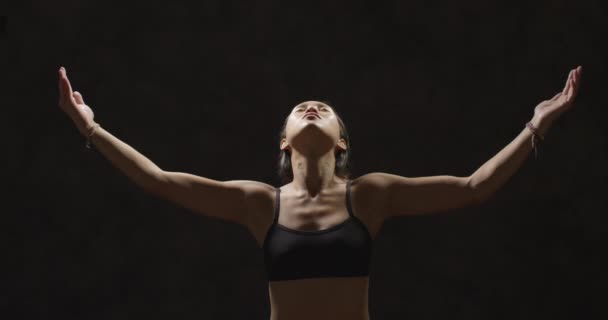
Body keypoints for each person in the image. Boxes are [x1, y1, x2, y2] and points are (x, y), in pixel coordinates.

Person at [57, 65, 582, 320]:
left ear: (343, 141)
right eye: (302, 108)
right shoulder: (259, 203)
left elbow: (473, 187)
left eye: (324, 108)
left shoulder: (370, 196)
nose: (312, 108)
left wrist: (535, 126)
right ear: (284, 140)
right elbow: (160, 181)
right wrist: (91, 129)